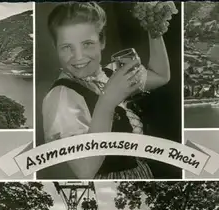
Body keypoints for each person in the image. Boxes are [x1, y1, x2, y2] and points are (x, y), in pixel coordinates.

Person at [42, 2, 171, 179]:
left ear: (102, 41)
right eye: (67, 47)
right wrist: (108, 101)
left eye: (87, 44)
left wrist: (154, 31)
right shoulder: (61, 96)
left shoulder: (109, 74)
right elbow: (85, 170)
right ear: (55, 47)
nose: (78, 57)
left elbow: (160, 76)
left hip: (139, 175)